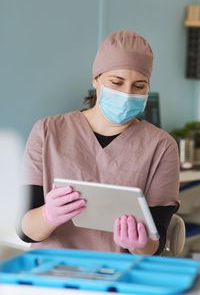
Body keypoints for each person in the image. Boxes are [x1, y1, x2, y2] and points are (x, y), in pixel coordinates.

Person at [19, 30, 180, 255]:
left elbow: (156, 243)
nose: (126, 94)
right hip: (51, 271)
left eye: (139, 86)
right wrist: (48, 215)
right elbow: (25, 230)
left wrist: (140, 244)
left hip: (119, 276)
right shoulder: (47, 131)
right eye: (117, 82)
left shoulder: (161, 147)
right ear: (96, 79)